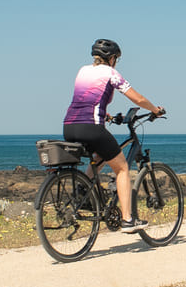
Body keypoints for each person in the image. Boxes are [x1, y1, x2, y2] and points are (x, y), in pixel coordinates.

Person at [63, 38, 164, 232]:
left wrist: (106, 115)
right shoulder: (111, 73)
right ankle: (128, 220)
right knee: (122, 168)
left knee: (100, 156)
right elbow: (137, 98)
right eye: (116, 59)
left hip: (69, 127)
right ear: (112, 58)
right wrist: (155, 110)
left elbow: (85, 101)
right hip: (91, 128)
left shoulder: (83, 71)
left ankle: (82, 190)